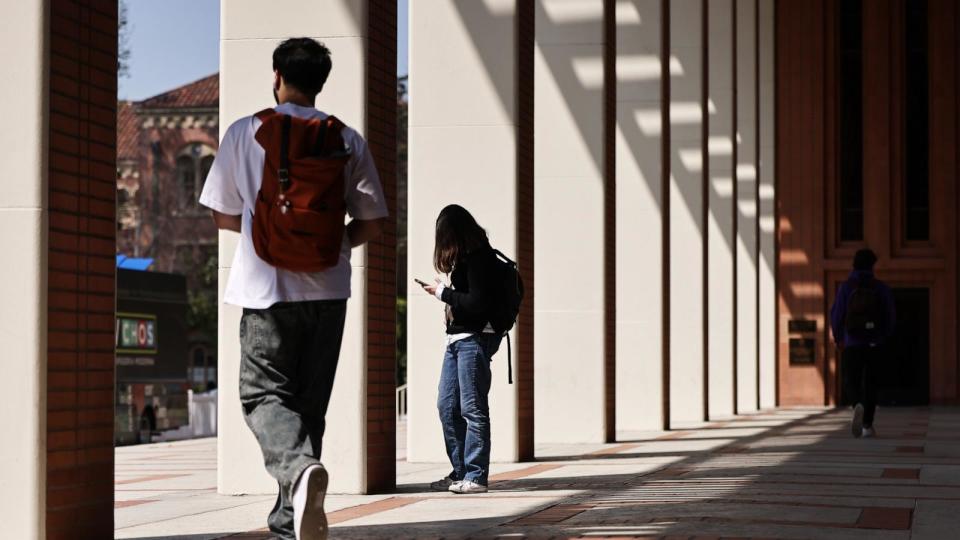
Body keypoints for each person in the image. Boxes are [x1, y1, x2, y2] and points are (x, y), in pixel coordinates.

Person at [199, 38, 387, 540]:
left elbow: (221, 212)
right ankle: (291, 523)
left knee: (263, 397)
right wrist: (332, 246)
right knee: (308, 407)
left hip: (267, 291)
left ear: (276, 75)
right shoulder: (346, 139)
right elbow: (372, 223)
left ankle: (300, 473)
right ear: (320, 82)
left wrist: (271, 237)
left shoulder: (246, 131)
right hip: (329, 291)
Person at [419, 205, 504, 494]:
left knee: (472, 408)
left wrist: (443, 293)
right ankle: (461, 472)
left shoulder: (481, 259)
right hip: (455, 341)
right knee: (447, 406)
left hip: (475, 339)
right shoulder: (465, 261)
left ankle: (477, 476)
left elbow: (477, 303)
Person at [830, 248, 896, 439]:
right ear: (872, 265)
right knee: (872, 383)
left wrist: (838, 337)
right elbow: (890, 316)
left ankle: (856, 403)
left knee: (851, 379)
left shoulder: (846, 286)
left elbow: (836, 314)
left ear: (854, 264)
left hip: (852, 342)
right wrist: (883, 336)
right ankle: (867, 425)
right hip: (875, 342)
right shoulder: (880, 288)